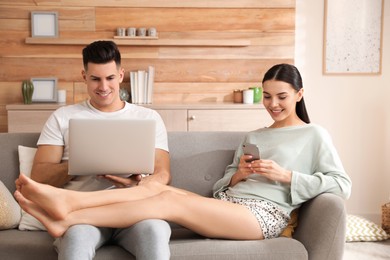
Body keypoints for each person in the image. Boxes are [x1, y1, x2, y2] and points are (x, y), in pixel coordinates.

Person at [15, 63, 352, 242]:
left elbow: (341, 184)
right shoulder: (254, 134)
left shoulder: (313, 134)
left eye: (281, 96)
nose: (273, 104)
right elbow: (222, 185)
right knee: (152, 187)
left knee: (167, 200)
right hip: (231, 205)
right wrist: (238, 175)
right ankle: (68, 204)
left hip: (264, 216)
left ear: (299, 94)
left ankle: (69, 215)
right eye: (266, 96)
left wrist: (286, 175)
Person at [27, 40, 172, 260]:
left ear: (121, 75)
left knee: (155, 231)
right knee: (76, 240)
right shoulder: (62, 117)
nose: (103, 87)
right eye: (95, 79)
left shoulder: (148, 118)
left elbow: (163, 174)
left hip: (135, 212)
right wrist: (80, 163)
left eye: (110, 78)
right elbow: (39, 178)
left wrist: (141, 183)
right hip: (83, 216)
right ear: (84, 76)